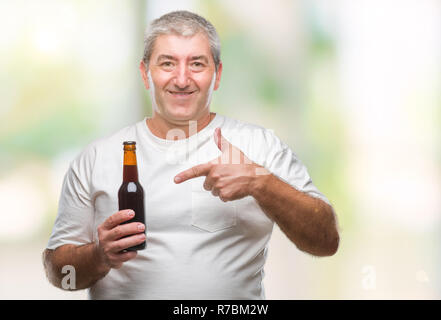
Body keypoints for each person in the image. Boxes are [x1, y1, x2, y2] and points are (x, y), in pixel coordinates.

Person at [43, 10, 339, 300]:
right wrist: (98, 255)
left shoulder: (260, 146)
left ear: (217, 74)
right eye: (167, 64)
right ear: (146, 74)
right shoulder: (96, 158)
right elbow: (60, 274)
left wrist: (259, 182)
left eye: (197, 64)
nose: (182, 79)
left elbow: (326, 241)